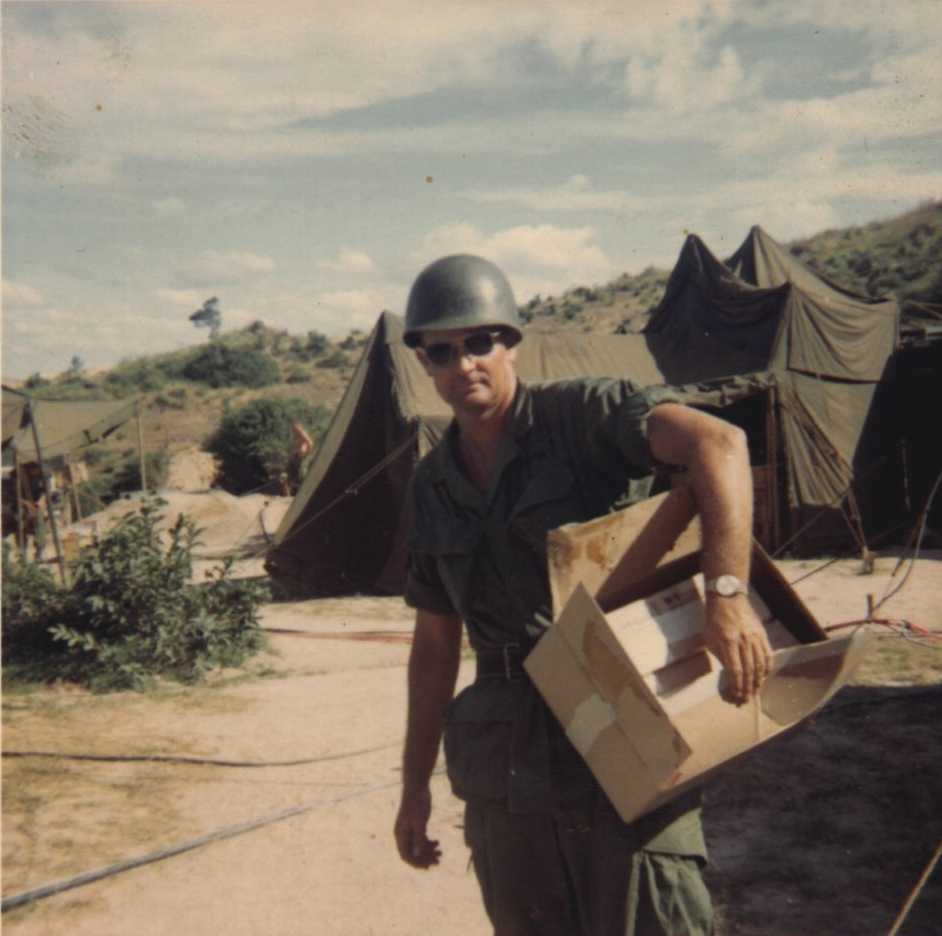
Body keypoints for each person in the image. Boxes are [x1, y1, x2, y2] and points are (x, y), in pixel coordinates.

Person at [393, 254, 773, 935]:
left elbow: (720, 443)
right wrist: (414, 785)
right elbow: (434, 645)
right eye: (442, 351)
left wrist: (727, 596)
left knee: (654, 915)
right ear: (423, 361)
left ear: (510, 342)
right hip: (507, 765)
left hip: (618, 719)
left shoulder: (582, 416)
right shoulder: (432, 484)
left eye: (479, 341)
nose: (464, 363)